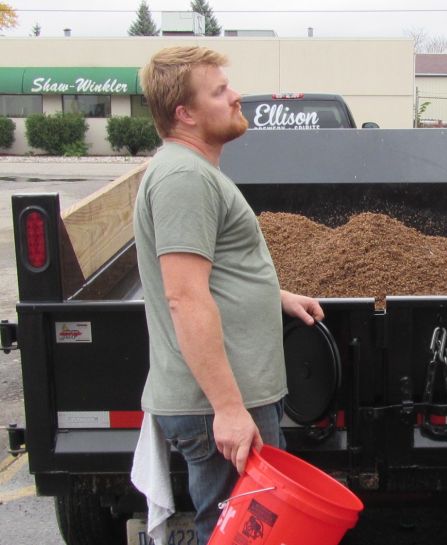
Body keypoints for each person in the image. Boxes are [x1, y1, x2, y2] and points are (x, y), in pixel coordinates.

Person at [133, 46, 324, 544]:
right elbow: (185, 298)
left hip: (225, 399)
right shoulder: (184, 179)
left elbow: (208, 274)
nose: (236, 95)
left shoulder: (192, 172)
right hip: (217, 403)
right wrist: (229, 409)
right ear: (186, 113)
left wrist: (272, 294)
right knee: (235, 535)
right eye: (219, 91)